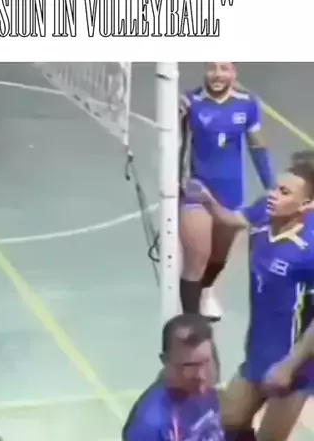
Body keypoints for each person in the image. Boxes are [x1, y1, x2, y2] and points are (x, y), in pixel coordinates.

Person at [185, 159, 314, 441]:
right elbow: (235, 220)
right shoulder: (264, 213)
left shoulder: (309, 251)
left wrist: (289, 368)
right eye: (275, 188)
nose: (273, 195)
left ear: (306, 205)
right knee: (229, 420)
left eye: (284, 192)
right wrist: (207, 201)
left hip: (295, 367)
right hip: (257, 354)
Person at [179, 62, 274, 321]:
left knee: (218, 257)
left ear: (234, 73)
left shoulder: (248, 104)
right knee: (196, 257)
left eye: (224, 68)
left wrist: (271, 186)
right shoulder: (189, 102)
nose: (218, 74)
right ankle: (190, 322)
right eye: (212, 68)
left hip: (230, 193)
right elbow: (177, 143)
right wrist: (178, 182)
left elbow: (257, 147)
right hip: (197, 190)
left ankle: (206, 290)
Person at [123, 313, 223, 441]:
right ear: (166, 361)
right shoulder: (149, 424)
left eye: (205, 362)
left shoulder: (210, 389)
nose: (201, 376)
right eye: (189, 366)